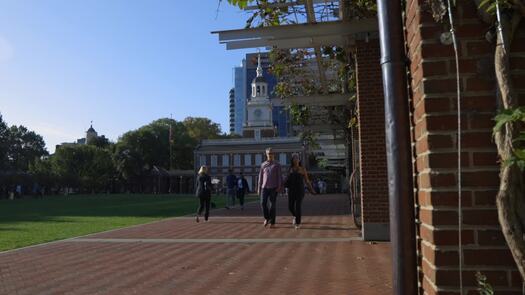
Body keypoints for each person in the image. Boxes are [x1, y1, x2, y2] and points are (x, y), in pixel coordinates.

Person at [284, 153, 315, 229]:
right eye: (294, 158)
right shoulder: (290, 169)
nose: (296, 159)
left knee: (298, 206)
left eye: (297, 158)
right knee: (290, 207)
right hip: (291, 190)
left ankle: (298, 223)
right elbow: (286, 180)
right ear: (292, 160)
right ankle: (295, 216)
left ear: (299, 159)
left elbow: (307, 181)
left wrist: (311, 190)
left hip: (300, 190)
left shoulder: (302, 169)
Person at [257, 147, 282, 228]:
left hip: (274, 188)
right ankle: (267, 218)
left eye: (271, 153)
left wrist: (279, 186)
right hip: (264, 187)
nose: (270, 155)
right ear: (266, 154)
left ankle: (272, 222)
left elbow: (279, 176)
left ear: (273, 154)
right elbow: (260, 177)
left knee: (272, 205)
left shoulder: (277, 164)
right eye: (268, 153)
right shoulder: (263, 164)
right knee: (262, 203)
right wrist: (258, 188)